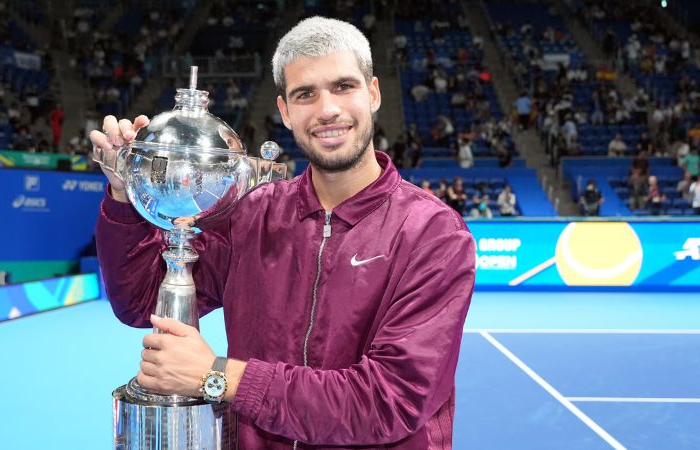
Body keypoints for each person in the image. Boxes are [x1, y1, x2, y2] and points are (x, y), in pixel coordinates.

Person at [91, 17, 476, 449]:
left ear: (373, 93)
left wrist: (219, 376)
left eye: (344, 86)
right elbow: (141, 301)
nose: (327, 109)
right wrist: (126, 192)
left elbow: (390, 401)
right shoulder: (250, 215)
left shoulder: (433, 235)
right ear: (285, 111)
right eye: (305, 94)